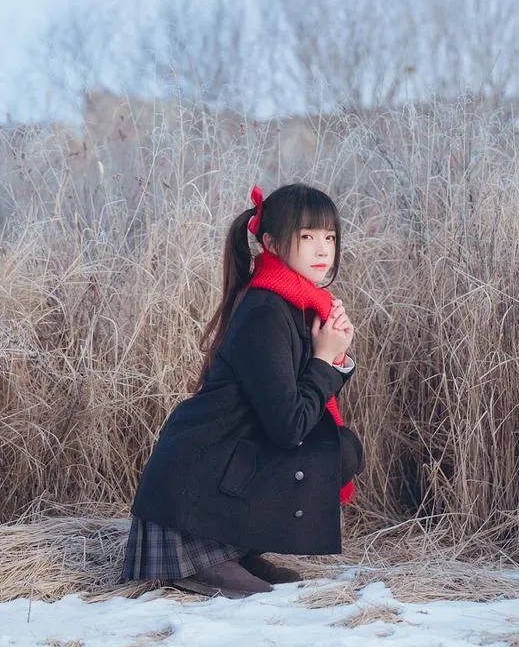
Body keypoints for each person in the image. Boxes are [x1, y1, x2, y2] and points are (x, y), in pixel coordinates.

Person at [121, 182, 365, 599]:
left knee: (339, 448)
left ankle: (235, 549)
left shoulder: (293, 304)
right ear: (270, 243)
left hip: (220, 460)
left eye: (329, 237)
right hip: (191, 484)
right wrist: (325, 360)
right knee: (334, 449)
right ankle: (202, 557)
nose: (322, 250)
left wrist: (333, 356)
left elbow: (297, 410)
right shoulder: (266, 312)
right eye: (307, 237)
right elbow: (290, 426)